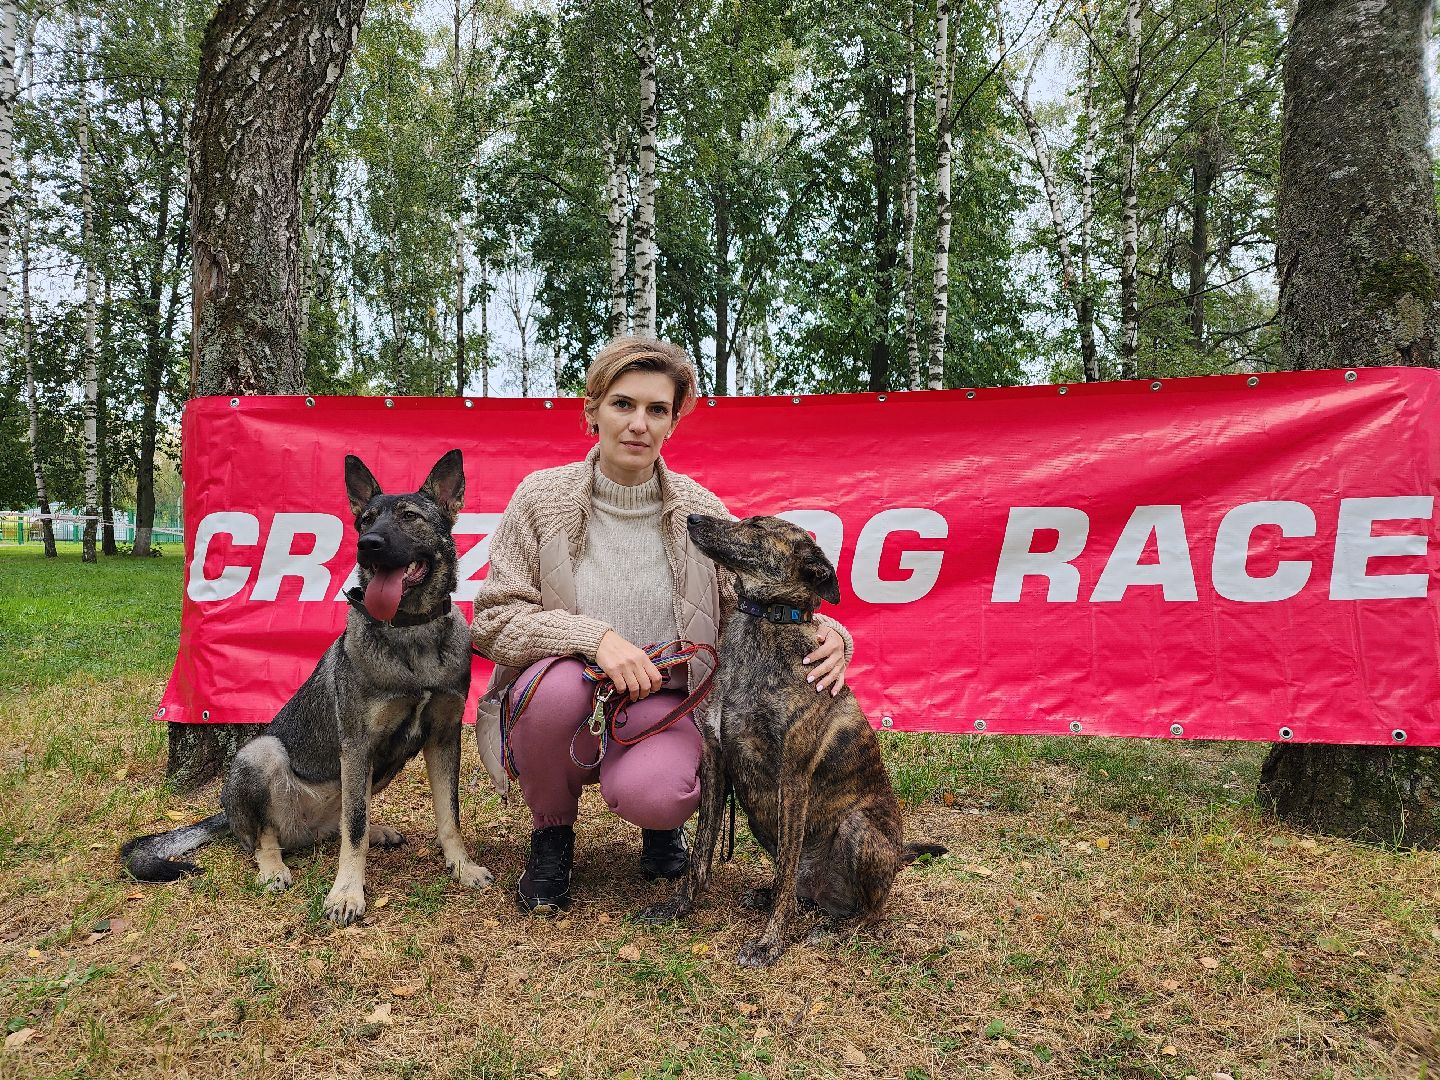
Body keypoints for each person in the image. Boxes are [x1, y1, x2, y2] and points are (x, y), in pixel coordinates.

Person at [471, 336, 854, 914]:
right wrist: (595, 639)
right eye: (623, 404)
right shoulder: (541, 497)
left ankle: (660, 828)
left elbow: (758, 597)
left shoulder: (700, 512)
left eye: (657, 410)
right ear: (592, 410)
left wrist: (834, 636)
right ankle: (551, 833)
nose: (638, 424)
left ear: (673, 424)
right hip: (565, 693)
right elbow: (495, 619)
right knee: (555, 692)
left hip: (665, 701)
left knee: (661, 792)